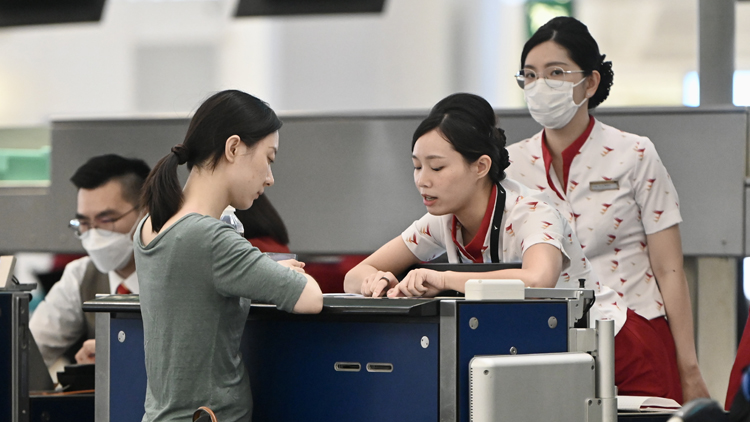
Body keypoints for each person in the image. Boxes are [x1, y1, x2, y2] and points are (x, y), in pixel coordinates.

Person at [504, 16, 708, 403]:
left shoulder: (634, 155)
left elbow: (669, 268)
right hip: (547, 339)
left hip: (637, 335)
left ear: (591, 81)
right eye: (529, 75)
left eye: (555, 73)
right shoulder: (511, 166)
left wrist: (690, 368)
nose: (539, 85)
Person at [343, 93, 626, 332]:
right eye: (417, 166)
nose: (422, 180)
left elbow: (538, 280)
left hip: (609, 343)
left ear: (480, 166)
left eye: (437, 167)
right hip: (542, 343)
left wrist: (443, 280)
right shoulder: (441, 221)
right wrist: (375, 282)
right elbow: (353, 276)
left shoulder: (532, 213)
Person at [135, 89, 323, 422]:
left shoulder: (151, 224)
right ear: (234, 148)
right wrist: (284, 272)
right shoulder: (208, 237)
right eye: (269, 158)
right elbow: (310, 298)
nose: (270, 177)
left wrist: (263, 266)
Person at [29, 154, 150, 367]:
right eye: (83, 223)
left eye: (106, 220)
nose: (93, 234)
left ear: (145, 213)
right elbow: (31, 351)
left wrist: (121, 353)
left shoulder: (177, 275)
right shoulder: (80, 276)